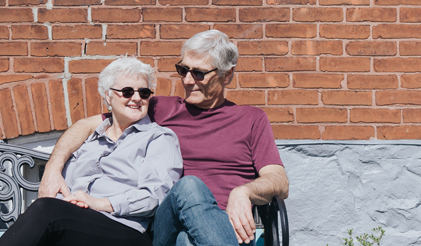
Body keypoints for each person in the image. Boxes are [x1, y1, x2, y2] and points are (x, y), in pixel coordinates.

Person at [39, 30, 289, 246]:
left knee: (187, 241)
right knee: (189, 186)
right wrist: (53, 166)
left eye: (199, 74)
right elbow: (85, 125)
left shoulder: (251, 119)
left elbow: (278, 180)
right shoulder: (158, 107)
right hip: (164, 225)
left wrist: (243, 193)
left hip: (222, 228)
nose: (188, 81)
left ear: (226, 75)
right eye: (183, 70)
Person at [0, 56, 183, 246]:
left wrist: (98, 202)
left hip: (126, 229)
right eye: (127, 92)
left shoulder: (159, 138)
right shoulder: (90, 140)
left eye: (143, 93)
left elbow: (154, 197)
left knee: (45, 211)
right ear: (108, 96)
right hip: (75, 224)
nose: (136, 98)